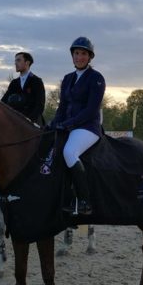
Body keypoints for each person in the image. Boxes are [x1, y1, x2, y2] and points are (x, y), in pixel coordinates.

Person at [50, 36, 105, 215]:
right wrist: (53, 124)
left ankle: (84, 201)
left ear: (89, 57)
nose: (79, 57)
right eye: (76, 53)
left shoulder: (96, 78)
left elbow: (90, 110)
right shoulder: (67, 79)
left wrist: (68, 124)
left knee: (69, 152)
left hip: (88, 127)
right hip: (69, 125)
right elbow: (63, 107)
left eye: (83, 54)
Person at [1, 52, 46, 125]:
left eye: (18, 60)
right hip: (16, 122)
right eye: (15, 61)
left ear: (27, 63)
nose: (15, 63)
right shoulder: (14, 83)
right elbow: (3, 102)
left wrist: (29, 120)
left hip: (33, 123)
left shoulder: (36, 81)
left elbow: (40, 104)